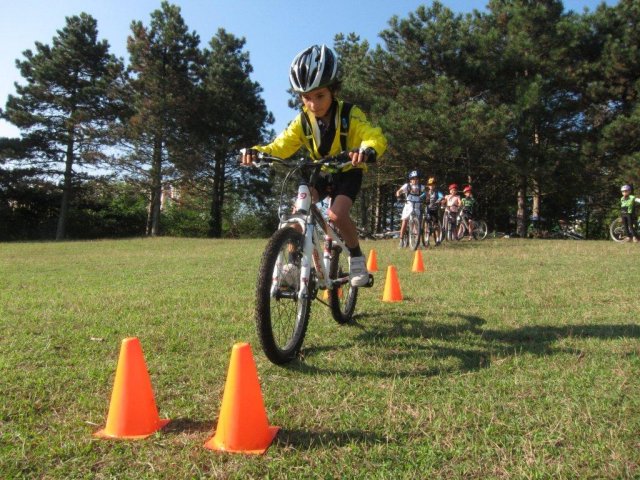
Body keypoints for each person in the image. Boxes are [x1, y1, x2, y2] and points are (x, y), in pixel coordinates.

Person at [241, 44, 387, 286]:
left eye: (319, 96)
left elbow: (372, 134)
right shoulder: (302, 122)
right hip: (319, 172)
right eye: (306, 97)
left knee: (336, 214)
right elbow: (280, 145)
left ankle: (357, 256)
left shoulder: (350, 113)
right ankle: (292, 262)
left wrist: (367, 149)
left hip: (348, 171)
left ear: (333, 91)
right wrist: (257, 152)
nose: (313, 104)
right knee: (298, 210)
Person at [395, 170, 426, 247]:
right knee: (405, 221)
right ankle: (401, 240)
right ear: (410, 179)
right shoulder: (407, 185)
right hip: (408, 205)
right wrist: (398, 196)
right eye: (413, 178)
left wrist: (427, 198)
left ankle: (416, 240)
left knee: (417, 223)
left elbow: (427, 193)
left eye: (417, 178)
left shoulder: (421, 186)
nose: (415, 180)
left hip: (417, 205)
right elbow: (399, 191)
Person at [425, 177, 443, 245]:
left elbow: (441, 196)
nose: (431, 186)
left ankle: (438, 239)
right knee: (426, 224)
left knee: (436, 225)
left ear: (435, 185)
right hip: (427, 209)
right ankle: (426, 239)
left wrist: (438, 200)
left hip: (434, 209)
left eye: (432, 184)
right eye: (430, 184)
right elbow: (420, 197)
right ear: (428, 186)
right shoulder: (426, 193)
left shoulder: (437, 192)